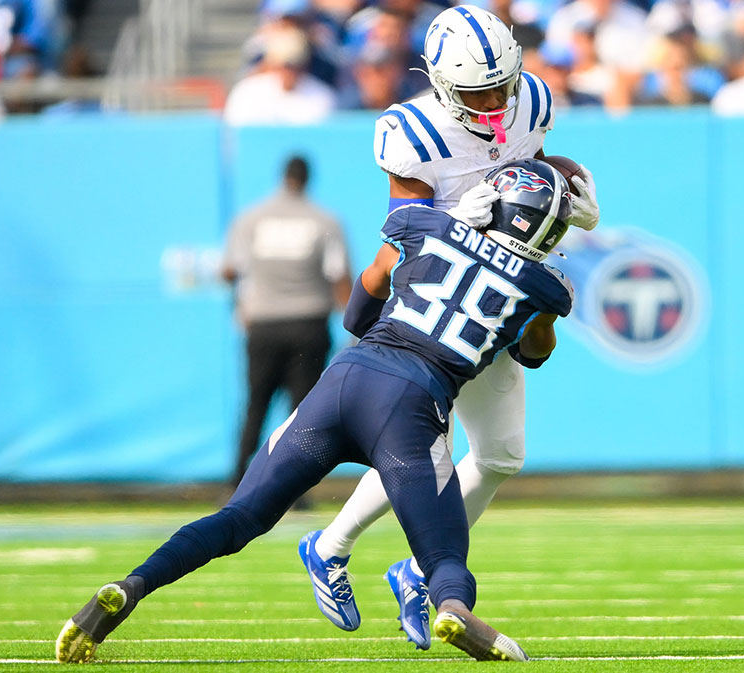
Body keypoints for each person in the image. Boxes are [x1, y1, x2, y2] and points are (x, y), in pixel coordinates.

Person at [55, 159, 576, 665]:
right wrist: (538, 310)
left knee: (239, 517)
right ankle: (454, 609)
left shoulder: (424, 225)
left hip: (344, 380)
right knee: (441, 558)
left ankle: (132, 585)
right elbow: (534, 354)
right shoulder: (544, 288)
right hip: (409, 410)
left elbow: (358, 308)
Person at [298, 5, 599, 651]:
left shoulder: (534, 98)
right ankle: (336, 545)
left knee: (500, 452)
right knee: (418, 446)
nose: (493, 102)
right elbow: (404, 239)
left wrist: (567, 195)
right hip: (438, 302)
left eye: (501, 86)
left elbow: (530, 171)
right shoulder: (410, 132)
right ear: (439, 82)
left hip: (501, 293)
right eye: (476, 91)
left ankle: (396, 563)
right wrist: (459, 221)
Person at [222, 155, 352, 486]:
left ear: (282, 177)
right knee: (302, 411)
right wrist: (355, 326)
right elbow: (339, 277)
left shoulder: (251, 218)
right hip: (308, 323)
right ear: (307, 180)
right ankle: (294, 488)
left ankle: (239, 480)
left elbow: (230, 270)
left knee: (257, 403)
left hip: (264, 322)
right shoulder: (324, 220)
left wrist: (241, 303)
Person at [222, 23, 336, 126]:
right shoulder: (246, 93)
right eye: (283, 65)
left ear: (304, 65)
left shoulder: (321, 96)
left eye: (294, 64)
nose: (288, 71)